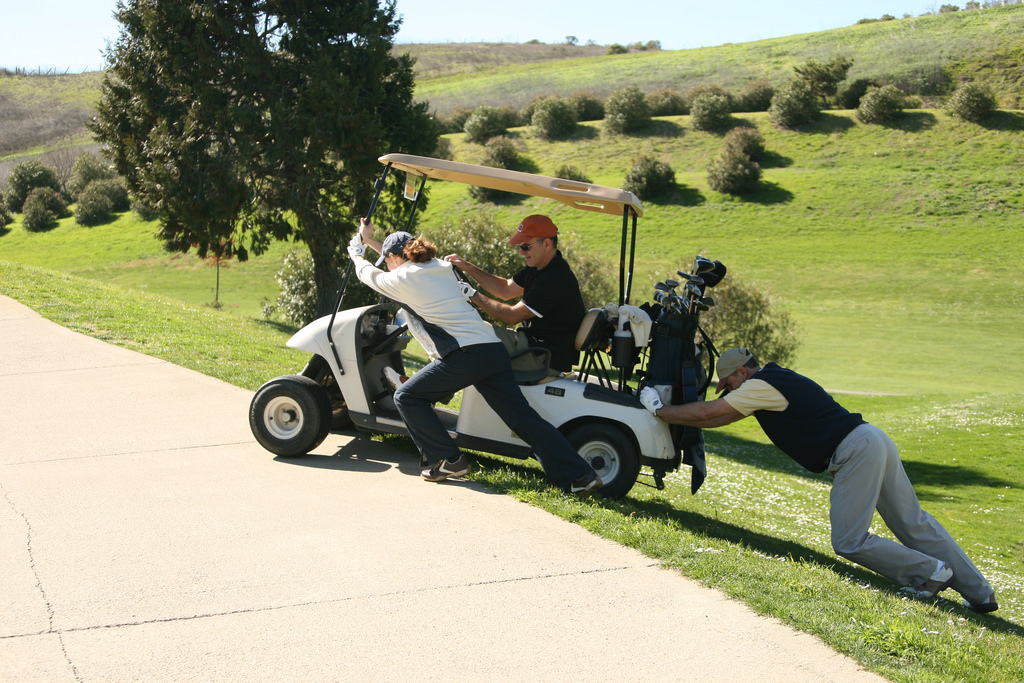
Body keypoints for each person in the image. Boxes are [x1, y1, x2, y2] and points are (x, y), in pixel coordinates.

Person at [639, 347, 998, 614]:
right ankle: (980, 593)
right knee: (915, 524)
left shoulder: (762, 385)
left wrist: (658, 410)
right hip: (872, 439)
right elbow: (718, 418)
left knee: (848, 540)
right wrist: (675, 416)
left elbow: (708, 411)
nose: (725, 390)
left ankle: (930, 572)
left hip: (855, 450)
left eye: (727, 382)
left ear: (742, 374)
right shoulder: (771, 383)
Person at [348, 218, 602, 496]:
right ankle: (581, 475)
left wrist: (356, 252)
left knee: (406, 397)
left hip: (466, 355)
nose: (386, 265)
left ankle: (449, 460)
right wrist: (368, 240)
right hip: (492, 350)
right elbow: (388, 264)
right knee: (523, 419)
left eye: (387, 260)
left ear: (397, 258)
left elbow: (368, 275)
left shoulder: (404, 278)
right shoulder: (442, 268)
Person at [444, 215, 585, 373]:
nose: (520, 252)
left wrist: (471, 294)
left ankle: (422, 394)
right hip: (533, 348)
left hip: (541, 357)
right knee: (462, 332)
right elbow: (504, 289)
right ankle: (427, 392)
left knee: (466, 332)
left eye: (526, 246)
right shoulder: (538, 268)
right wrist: (467, 267)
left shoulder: (555, 278)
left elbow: (512, 316)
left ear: (546, 243)